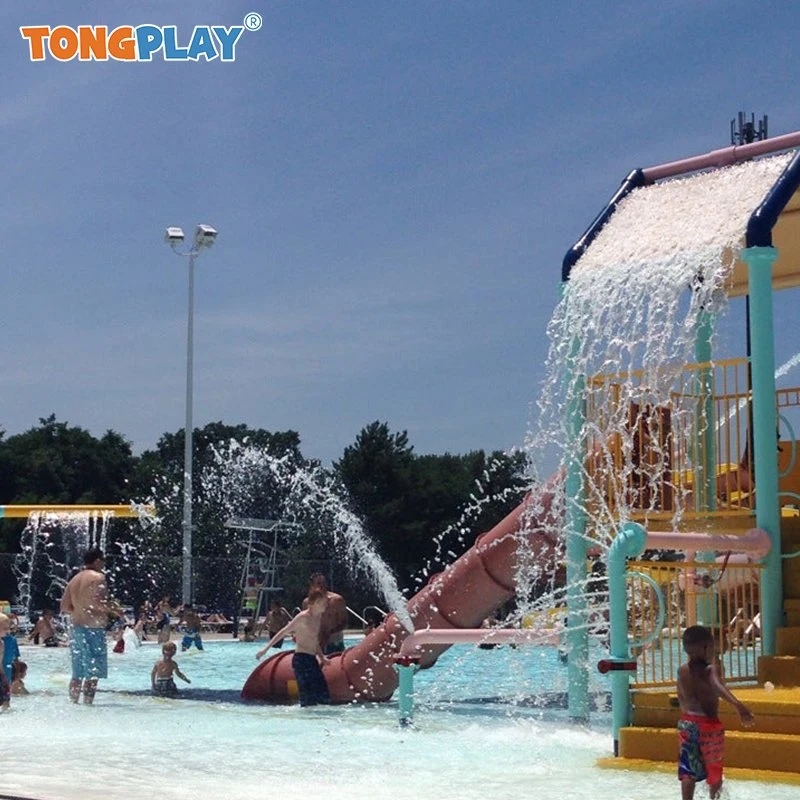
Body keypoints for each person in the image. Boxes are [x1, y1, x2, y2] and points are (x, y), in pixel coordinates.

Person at [677, 624, 754, 799]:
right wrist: (738, 705)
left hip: (686, 723)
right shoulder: (709, 670)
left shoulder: (682, 671)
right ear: (706, 648)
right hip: (708, 725)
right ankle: (714, 798)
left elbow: (682, 697)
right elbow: (717, 686)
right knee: (714, 769)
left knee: (687, 769)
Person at [60, 548, 124, 704]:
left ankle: (73, 703)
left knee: (77, 672)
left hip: (76, 629)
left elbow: (64, 607)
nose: (103, 565)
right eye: (103, 561)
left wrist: (80, 610)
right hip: (94, 630)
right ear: (97, 561)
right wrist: (115, 611)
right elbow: (97, 603)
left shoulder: (73, 580)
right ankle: (88, 704)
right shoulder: (98, 577)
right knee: (92, 672)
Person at [256, 588, 330, 706]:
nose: (326, 605)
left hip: (312, 659)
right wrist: (265, 649)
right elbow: (284, 631)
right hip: (301, 659)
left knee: (323, 694)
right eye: (323, 603)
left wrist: (322, 657)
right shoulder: (302, 617)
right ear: (314, 603)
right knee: (307, 699)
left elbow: (314, 639)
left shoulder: (318, 617)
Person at [302, 574, 348, 655]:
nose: (322, 586)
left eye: (324, 583)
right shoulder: (307, 603)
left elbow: (344, 622)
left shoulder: (336, 600)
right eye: (319, 583)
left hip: (334, 641)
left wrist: (328, 632)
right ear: (312, 586)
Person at [0, 612, 20, 695]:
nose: (8, 631)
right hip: (3, 673)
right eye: (5, 628)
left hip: (5, 671)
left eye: (8, 628)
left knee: (6, 698)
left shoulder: (4, 642)